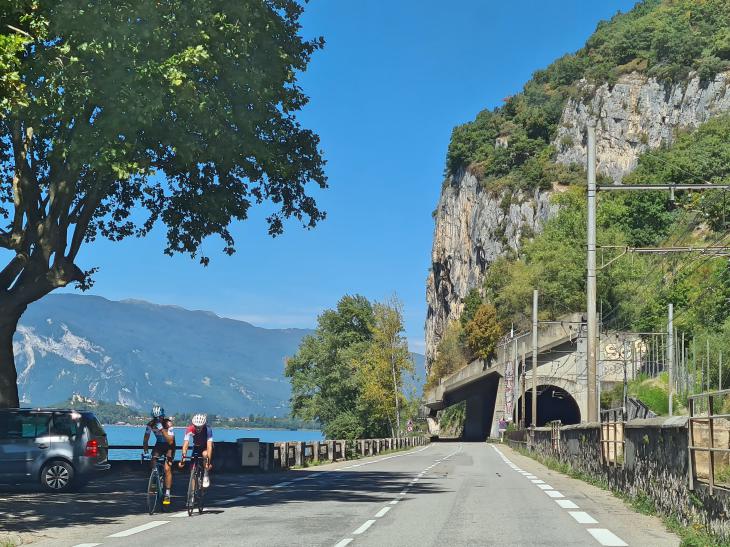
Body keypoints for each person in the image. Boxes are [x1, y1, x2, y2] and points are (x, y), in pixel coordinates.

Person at [143, 404, 175, 505]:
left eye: (160, 417)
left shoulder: (168, 424)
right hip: (159, 444)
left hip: (170, 446)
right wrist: (146, 452)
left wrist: (162, 429)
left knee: (167, 468)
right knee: (153, 460)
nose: (158, 419)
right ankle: (154, 480)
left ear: (163, 416)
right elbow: (145, 440)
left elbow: (170, 441)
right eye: (156, 418)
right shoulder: (150, 425)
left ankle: (167, 494)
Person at [178, 413, 213, 488]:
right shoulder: (190, 429)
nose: (198, 429)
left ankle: (206, 474)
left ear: (203, 425)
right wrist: (183, 458)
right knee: (192, 469)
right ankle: (192, 493)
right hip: (196, 447)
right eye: (196, 427)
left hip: (205, 447)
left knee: (204, 454)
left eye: (200, 427)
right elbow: (186, 444)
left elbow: (209, 446)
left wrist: (208, 462)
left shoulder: (208, 430)